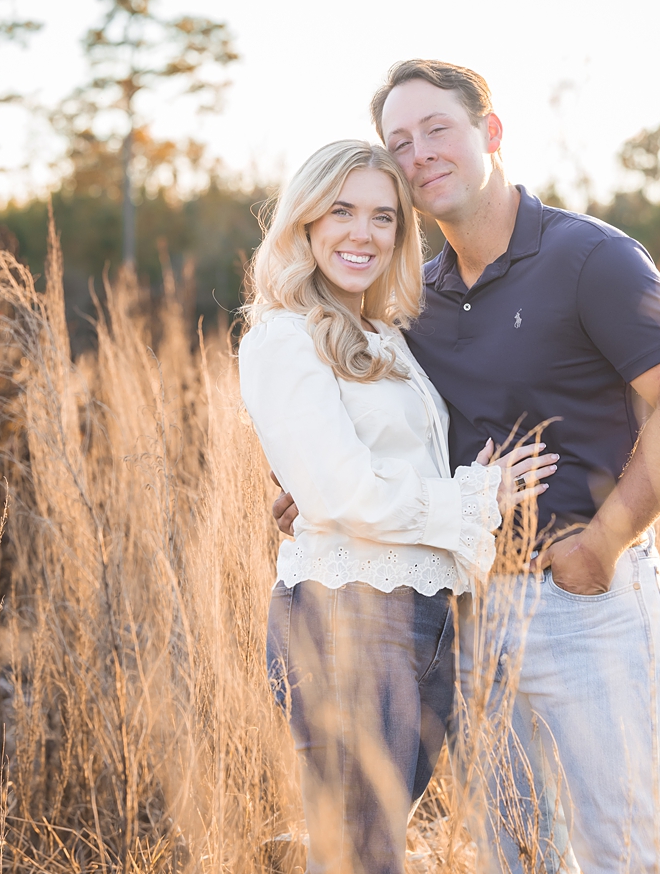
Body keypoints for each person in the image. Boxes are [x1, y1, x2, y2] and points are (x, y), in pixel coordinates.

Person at [271, 62, 660, 874]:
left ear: (491, 131)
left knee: (627, 854)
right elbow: (384, 423)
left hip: (586, 606)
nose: (419, 153)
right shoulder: (415, 295)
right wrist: (307, 486)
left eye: (436, 129)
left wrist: (603, 545)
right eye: (399, 142)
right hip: (471, 615)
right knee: (515, 855)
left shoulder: (591, 257)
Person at [239, 139, 558, 874]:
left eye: (383, 217)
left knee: (370, 844)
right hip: (348, 613)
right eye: (342, 211)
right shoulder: (283, 336)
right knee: (361, 852)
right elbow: (344, 492)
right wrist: (479, 495)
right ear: (305, 221)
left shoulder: (382, 335)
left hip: (423, 612)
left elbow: (382, 466)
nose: (364, 233)